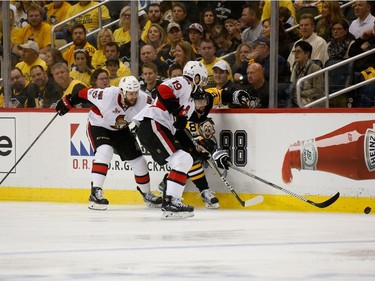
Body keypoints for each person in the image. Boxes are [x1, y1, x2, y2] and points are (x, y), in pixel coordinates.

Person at [55, 76, 162, 210]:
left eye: (135, 92)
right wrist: (69, 102)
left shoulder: (144, 99)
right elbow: (84, 93)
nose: (133, 96)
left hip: (121, 129)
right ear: (122, 92)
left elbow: (158, 112)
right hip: (99, 125)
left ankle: (147, 193)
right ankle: (96, 193)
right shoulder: (107, 95)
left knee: (139, 161)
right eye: (130, 93)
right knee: (105, 150)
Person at [133, 61, 210, 219]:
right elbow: (163, 88)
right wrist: (178, 112)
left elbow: (179, 130)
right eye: (202, 79)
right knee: (182, 159)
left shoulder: (188, 101)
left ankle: (171, 202)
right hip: (154, 123)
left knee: (185, 159)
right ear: (195, 77)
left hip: (156, 127)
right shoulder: (185, 82)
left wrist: (195, 150)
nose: (202, 83)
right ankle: (171, 201)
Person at [290, 41, 324, 107]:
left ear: (307, 54)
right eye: (295, 52)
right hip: (297, 98)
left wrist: (300, 93)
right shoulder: (295, 66)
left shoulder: (315, 68)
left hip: (313, 100)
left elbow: (317, 90)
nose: (296, 54)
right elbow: (292, 83)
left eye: (299, 52)